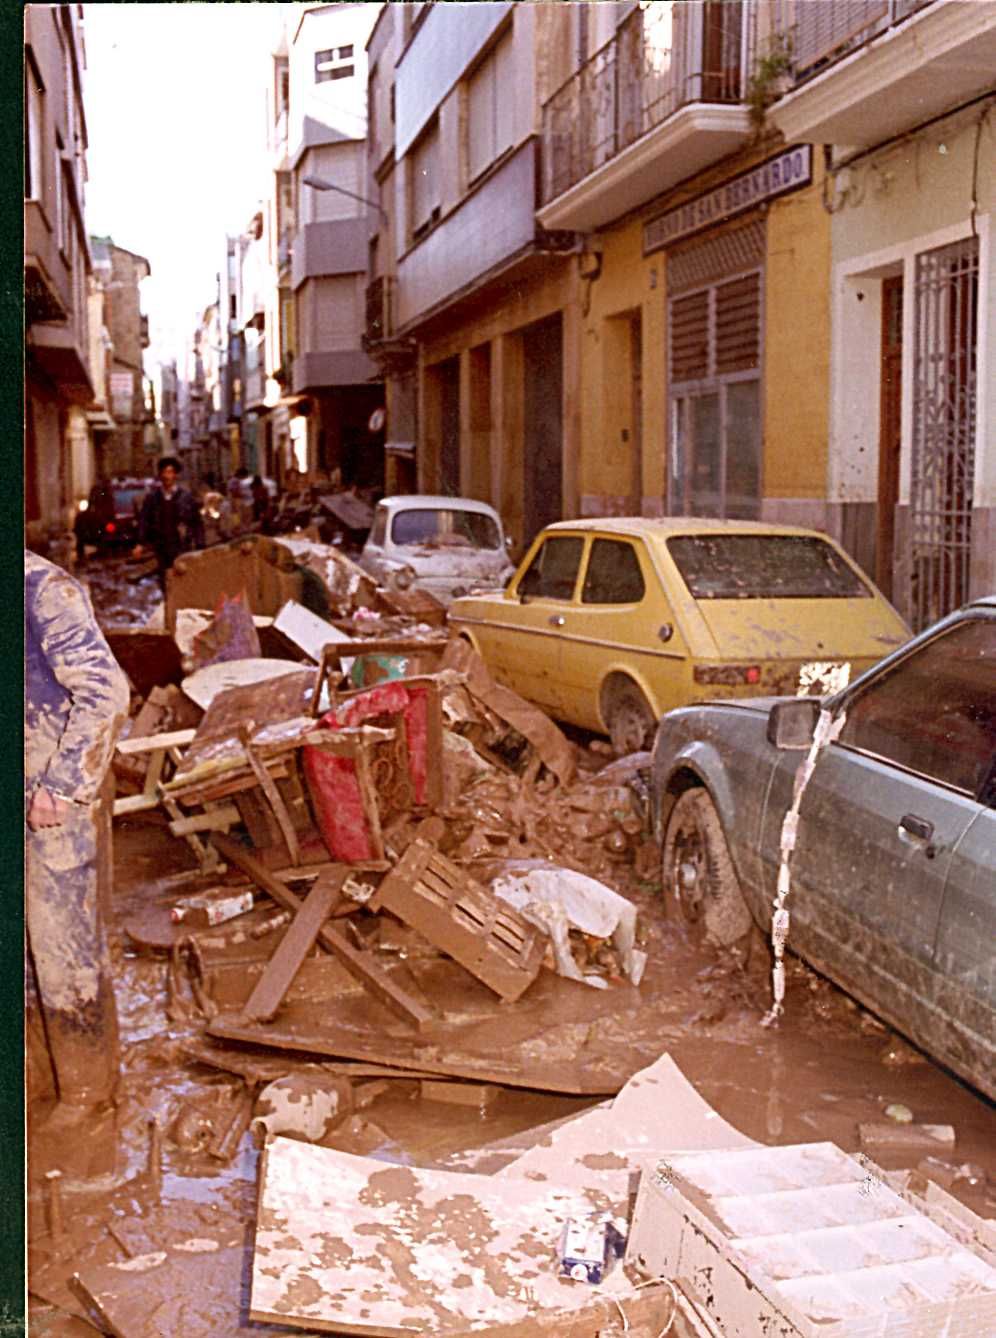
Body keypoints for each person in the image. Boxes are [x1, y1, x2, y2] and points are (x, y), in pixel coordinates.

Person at [24, 550, 130, 1123]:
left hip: (51, 803)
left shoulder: (42, 588)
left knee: (64, 948)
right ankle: (35, 1076)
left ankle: (88, 1094)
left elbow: (105, 694)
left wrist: (62, 786)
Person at [132, 455, 204, 587]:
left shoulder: (185, 498)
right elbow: (144, 520)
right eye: (164, 472)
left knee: (183, 578)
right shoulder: (153, 498)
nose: (167, 476)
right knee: (165, 579)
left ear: (175, 475)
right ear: (160, 475)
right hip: (161, 546)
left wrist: (200, 545)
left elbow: (196, 523)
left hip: (181, 545)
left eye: (170, 472)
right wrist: (140, 543)